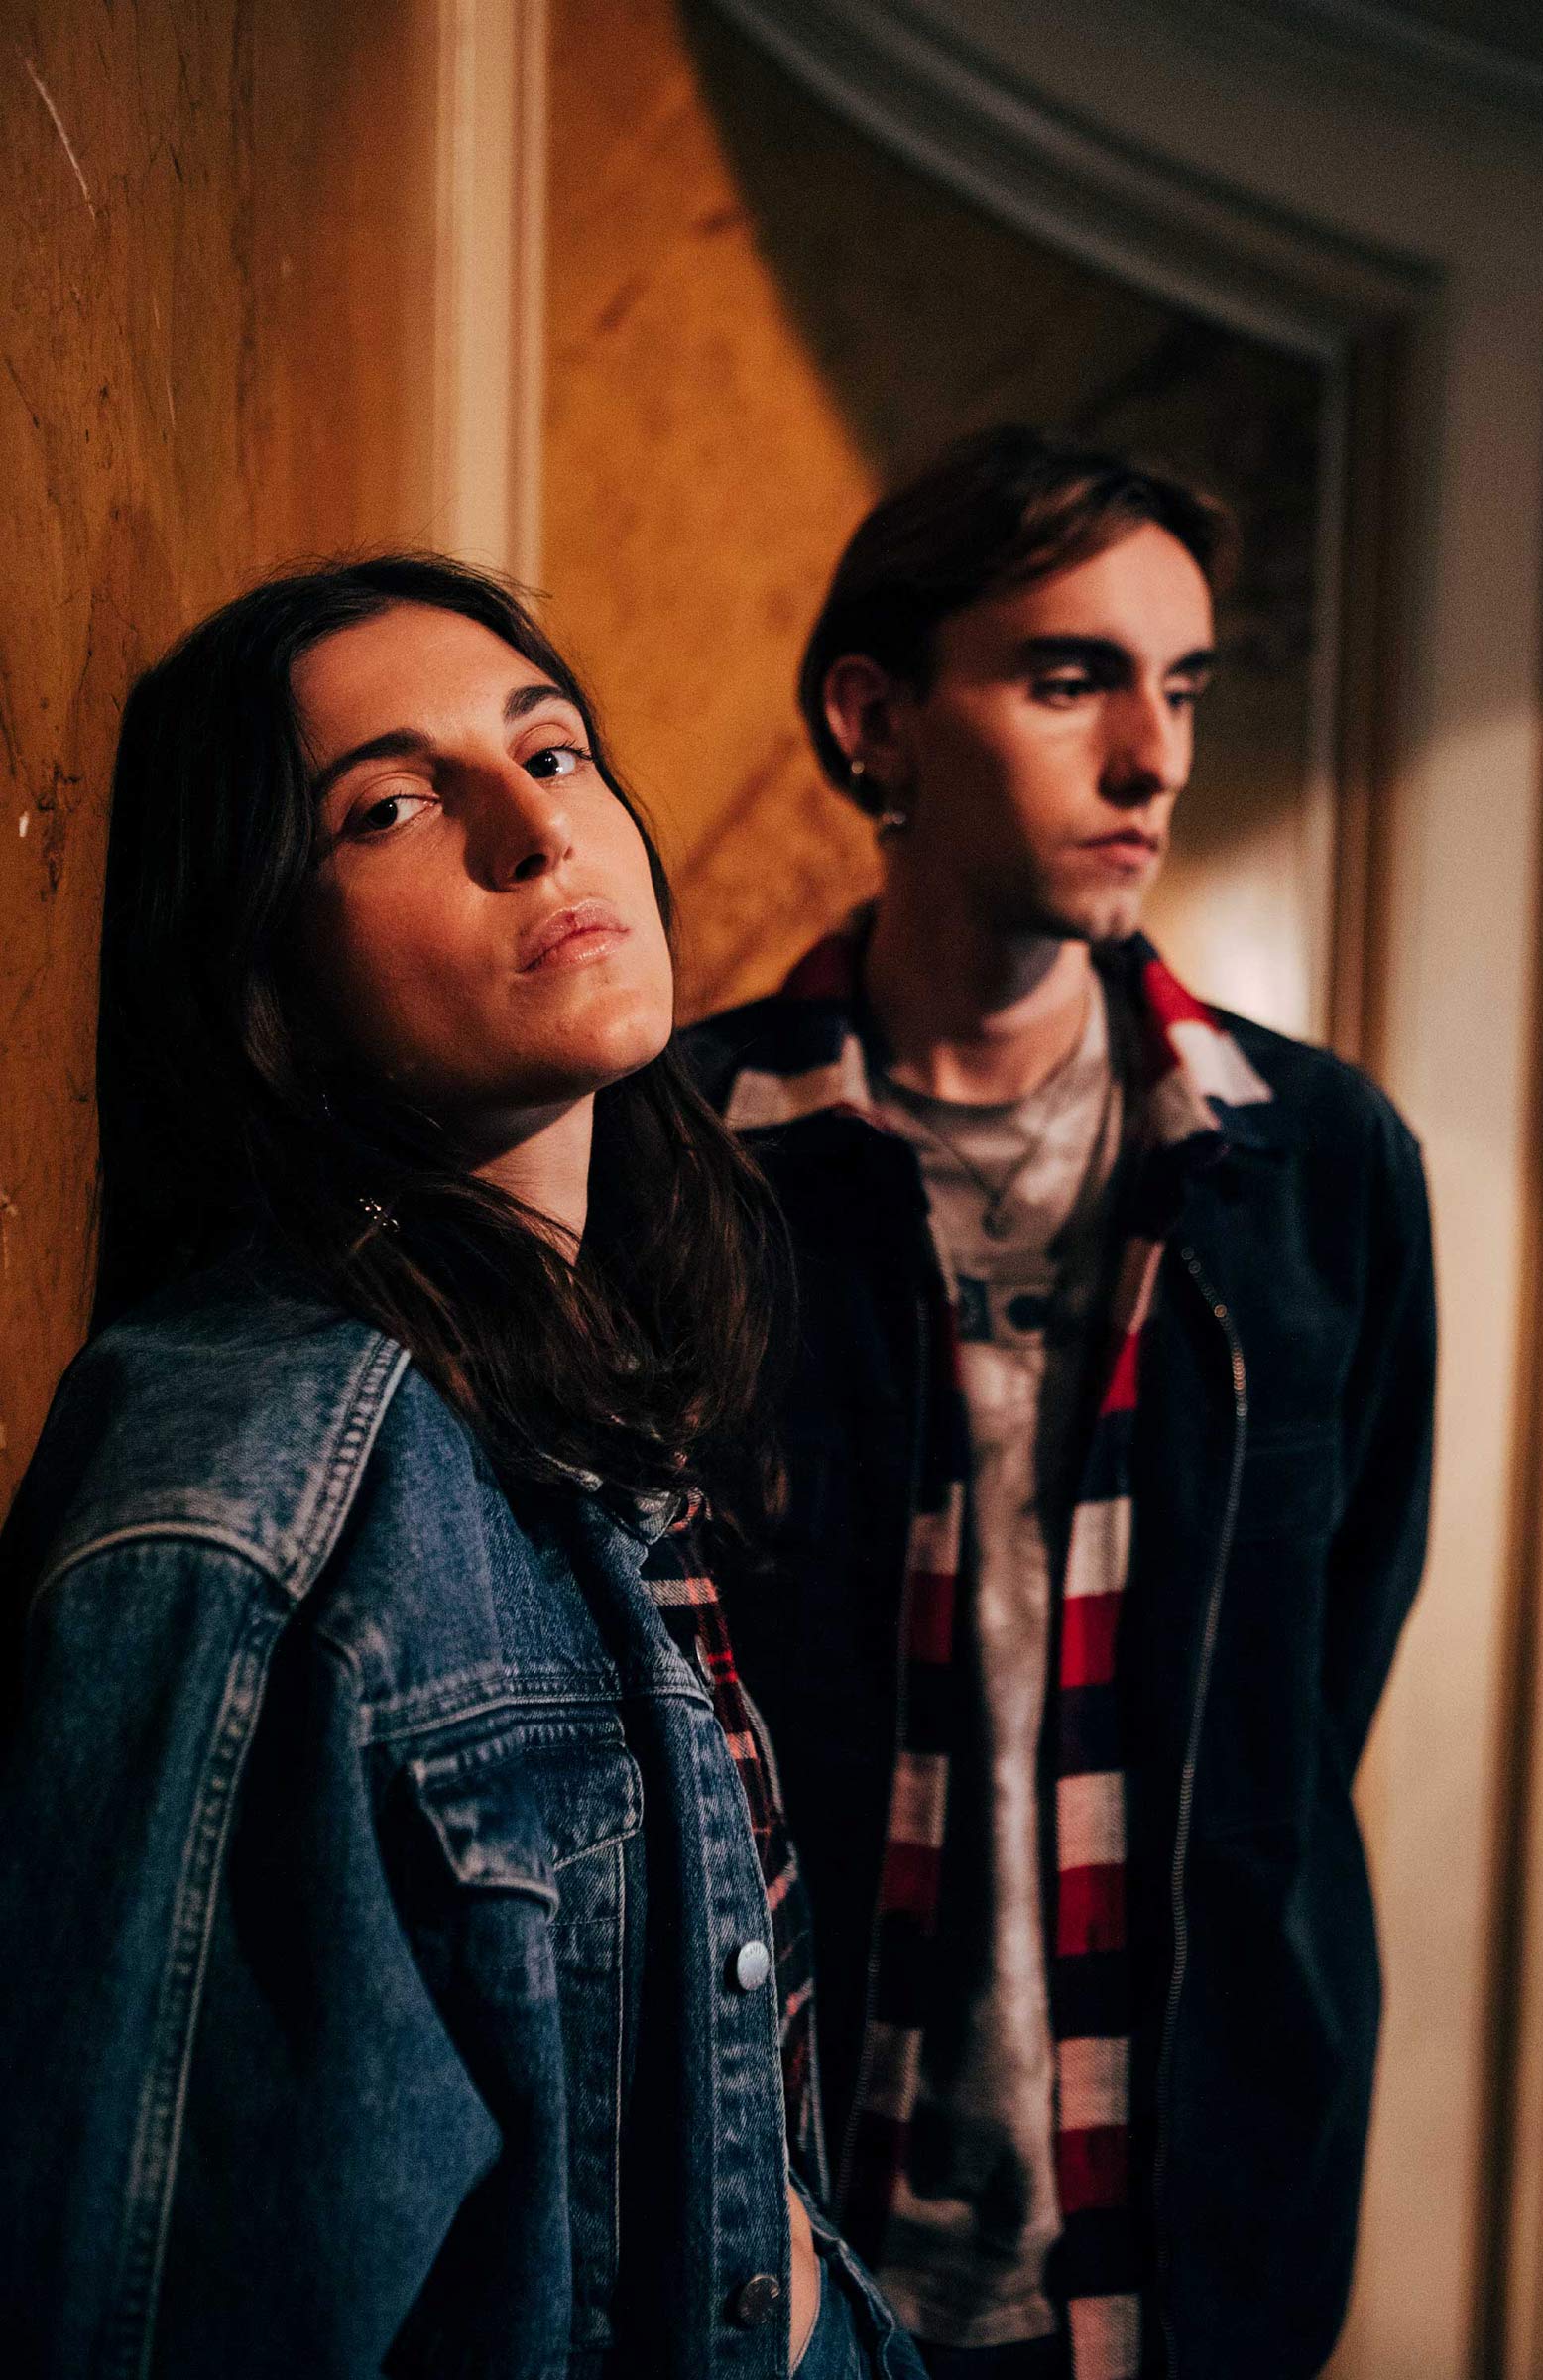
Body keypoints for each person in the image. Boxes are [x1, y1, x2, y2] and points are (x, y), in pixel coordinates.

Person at [0, 555, 930, 2380]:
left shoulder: (576, 1386)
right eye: (393, 807)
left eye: (554, 751)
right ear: (265, 969)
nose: (534, 830)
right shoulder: (259, 1498)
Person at [685, 427, 1436, 2380]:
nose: (1152, 757)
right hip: (782, 2233)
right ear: (874, 720)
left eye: (1180, 686)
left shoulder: (1317, 1165)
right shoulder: (684, 1161)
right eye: (1070, 678)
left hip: (1190, 2234)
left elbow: (1312, 1690)